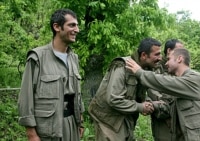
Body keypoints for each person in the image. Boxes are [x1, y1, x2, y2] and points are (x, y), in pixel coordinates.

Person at [126, 48, 200, 141]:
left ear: (179, 59)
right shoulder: (181, 83)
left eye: (169, 59)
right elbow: (169, 106)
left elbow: (165, 82)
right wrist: (153, 105)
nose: (166, 63)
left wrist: (140, 72)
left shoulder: (194, 79)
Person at [18, 9, 84, 141]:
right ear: (57, 27)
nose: (77, 29)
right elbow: (26, 97)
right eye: (72, 25)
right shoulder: (37, 57)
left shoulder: (73, 58)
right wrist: (31, 133)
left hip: (72, 124)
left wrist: (80, 121)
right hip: (48, 129)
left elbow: (77, 94)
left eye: (77, 25)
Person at [88, 37, 162, 141]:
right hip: (108, 120)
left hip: (124, 118)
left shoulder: (146, 69)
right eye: (157, 54)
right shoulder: (122, 66)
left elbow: (136, 94)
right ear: (144, 55)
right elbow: (113, 99)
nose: (160, 58)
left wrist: (146, 102)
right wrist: (140, 107)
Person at [147, 39, 183, 141]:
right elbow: (153, 93)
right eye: (179, 50)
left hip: (180, 119)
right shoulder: (156, 68)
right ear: (169, 51)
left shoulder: (180, 68)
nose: (182, 54)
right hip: (164, 119)